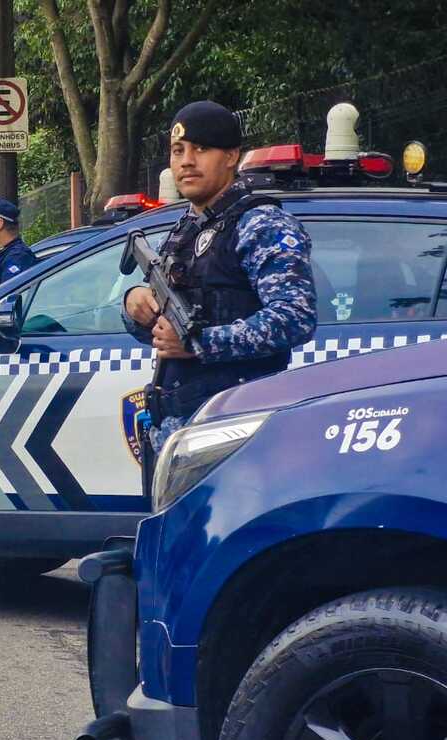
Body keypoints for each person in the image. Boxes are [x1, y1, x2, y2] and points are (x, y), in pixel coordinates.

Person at [123, 100, 316, 484]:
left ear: (231, 156)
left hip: (234, 431)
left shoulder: (260, 224)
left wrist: (200, 343)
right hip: (179, 431)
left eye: (201, 149)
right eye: (178, 151)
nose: (187, 161)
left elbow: (295, 317)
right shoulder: (187, 227)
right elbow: (163, 325)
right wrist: (135, 306)